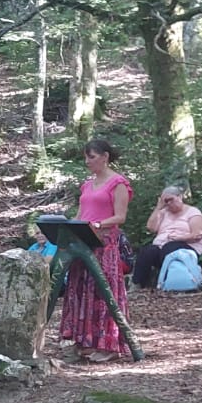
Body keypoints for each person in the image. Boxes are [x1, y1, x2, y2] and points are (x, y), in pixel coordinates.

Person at [58, 140, 132, 362]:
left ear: (105, 156)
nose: (87, 161)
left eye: (91, 156)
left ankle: (108, 344)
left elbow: (120, 216)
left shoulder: (118, 183)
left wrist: (99, 224)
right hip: (83, 243)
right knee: (81, 289)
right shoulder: (87, 185)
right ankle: (85, 342)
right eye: (86, 157)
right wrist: (70, 228)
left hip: (104, 244)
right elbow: (81, 214)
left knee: (102, 291)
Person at [133, 186, 202, 289]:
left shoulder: (193, 212)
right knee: (147, 251)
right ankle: (138, 283)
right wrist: (158, 207)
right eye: (165, 201)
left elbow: (197, 234)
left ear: (180, 197)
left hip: (187, 246)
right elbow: (151, 227)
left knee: (170, 247)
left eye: (171, 200)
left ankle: (169, 280)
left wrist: (179, 238)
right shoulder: (163, 213)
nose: (169, 203)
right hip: (163, 247)